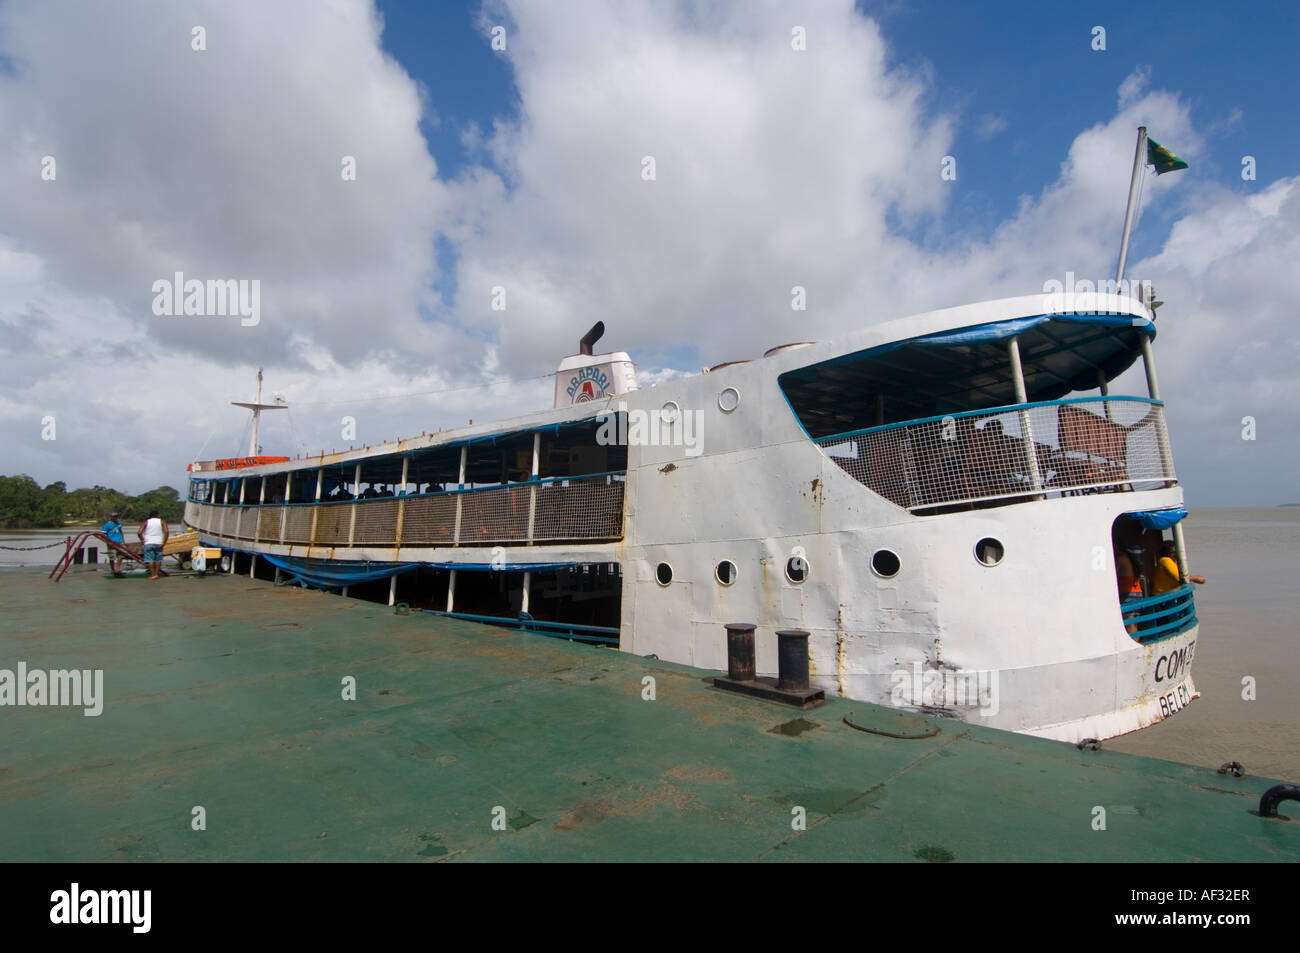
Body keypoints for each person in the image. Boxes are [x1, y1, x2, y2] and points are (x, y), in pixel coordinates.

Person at [1115, 545, 1144, 634]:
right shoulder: (1133, 561)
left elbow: (1113, 574)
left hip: (1127, 594)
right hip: (1138, 593)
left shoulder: (1121, 560)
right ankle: (1137, 641)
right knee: (1134, 624)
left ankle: (1134, 644)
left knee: (1129, 625)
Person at [137, 510, 169, 581]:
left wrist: (142, 540)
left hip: (148, 542)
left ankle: (153, 575)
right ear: (157, 515)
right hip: (159, 543)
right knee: (158, 559)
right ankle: (156, 574)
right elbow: (166, 532)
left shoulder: (147, 522)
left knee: (150, 559)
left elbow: (139, 532)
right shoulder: (162, 521)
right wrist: (164, 542)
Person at [101, 511, 125, 576]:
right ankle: (113, 570)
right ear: (111, 517)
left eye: (116, 516)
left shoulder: (118, 523)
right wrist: (108, 542)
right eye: (114, 517)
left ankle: (118, 569)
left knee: (120, 556)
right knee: (112, 557)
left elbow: (121, 532)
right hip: (111, 543)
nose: (115, 518)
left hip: (119, 542)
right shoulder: (106, 525)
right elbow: (103, 535)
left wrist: (123, 541)